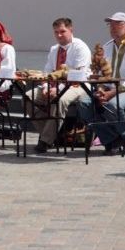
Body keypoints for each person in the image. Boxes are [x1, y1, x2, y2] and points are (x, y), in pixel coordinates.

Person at [77, 12, 125, 155]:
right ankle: (111, 139)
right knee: (83, 102)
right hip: (109, 89)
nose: (113, 27)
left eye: (118, 24)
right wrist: (100, 89)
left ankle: (124, 139)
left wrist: (112, 92)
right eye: (110, 24)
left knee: (113, 105)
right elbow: (100, 74)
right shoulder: (107, 46)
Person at [26, 18, 91, 153]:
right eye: (56, 32)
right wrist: (47, 87)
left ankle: (45, 140)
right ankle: (52, 135)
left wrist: (58, 89)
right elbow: (48, 71)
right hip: (54, 85)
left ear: (71, 30)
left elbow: (78, 74)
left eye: (62, 31)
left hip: (78, 85)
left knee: (60, 99)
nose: (59, 35)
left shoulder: (80, 47)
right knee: (27, 97)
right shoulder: (54, 49)